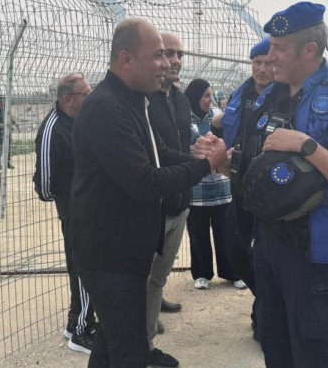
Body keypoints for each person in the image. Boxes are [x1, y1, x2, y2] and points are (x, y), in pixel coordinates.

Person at [197, 1, 328, 367]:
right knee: (275, 346)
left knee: (317, 354)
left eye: (278, 49)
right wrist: (224, 157)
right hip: (268, 245)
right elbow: (260, 171)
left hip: (316, 253)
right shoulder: (270, 98)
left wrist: (307, 147)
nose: (269, 57)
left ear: (309, 49)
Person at [70, 18, 227, 368]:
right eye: (157, 55)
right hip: (110, 254)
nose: (167, 63)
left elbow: (161, 154)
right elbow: (144, 181)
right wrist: (205, 166)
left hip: (124, 249)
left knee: (112, 340)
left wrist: (199, 155)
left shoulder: (132, 101)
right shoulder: (107, 108)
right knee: (130, 351)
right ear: (126, 59)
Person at [213, 36, 274, 341]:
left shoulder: (285, 95)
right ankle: (264, 299)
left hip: (272, 189)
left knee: (266, 254)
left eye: (267, 63)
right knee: (235, 250)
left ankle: (265, 315)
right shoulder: (241, 93)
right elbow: (225, 126)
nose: (262, 69)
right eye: (256, 63)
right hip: (239, 182)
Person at [33, 73, 96, 354]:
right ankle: (81, 332)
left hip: (90, 206)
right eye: (86, 93)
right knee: (85, 269)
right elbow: (44, 183)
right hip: (74, 211)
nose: (90, 96)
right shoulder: (52, 128)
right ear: (68, 99)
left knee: (86, 266)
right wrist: (65, 199)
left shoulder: (82, 121)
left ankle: (75, 323)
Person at [144, 32, 192, 365]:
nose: (174, 60)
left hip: (181, 202)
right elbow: (157, 156)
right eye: (167, 53)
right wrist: (200, 163)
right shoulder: (143, 101)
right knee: (142, 277)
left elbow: (183, 147)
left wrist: (200, 153)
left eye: (178, 54)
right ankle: (142, 345)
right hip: (154, 206)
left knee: (159, 277)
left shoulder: (181, 99)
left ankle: (148, 322)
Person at [183, 78, 243, 290]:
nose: (209, 100)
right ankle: (201, 273)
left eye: (211, 95)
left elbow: (221, 143)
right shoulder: (183, 118)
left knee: (226, 233)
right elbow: (192, 146)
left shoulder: (217, 117)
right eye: (205, 95)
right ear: (195, 96)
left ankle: (232, 272)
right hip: (196, 189)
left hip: (220, 186)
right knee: (198, 234)